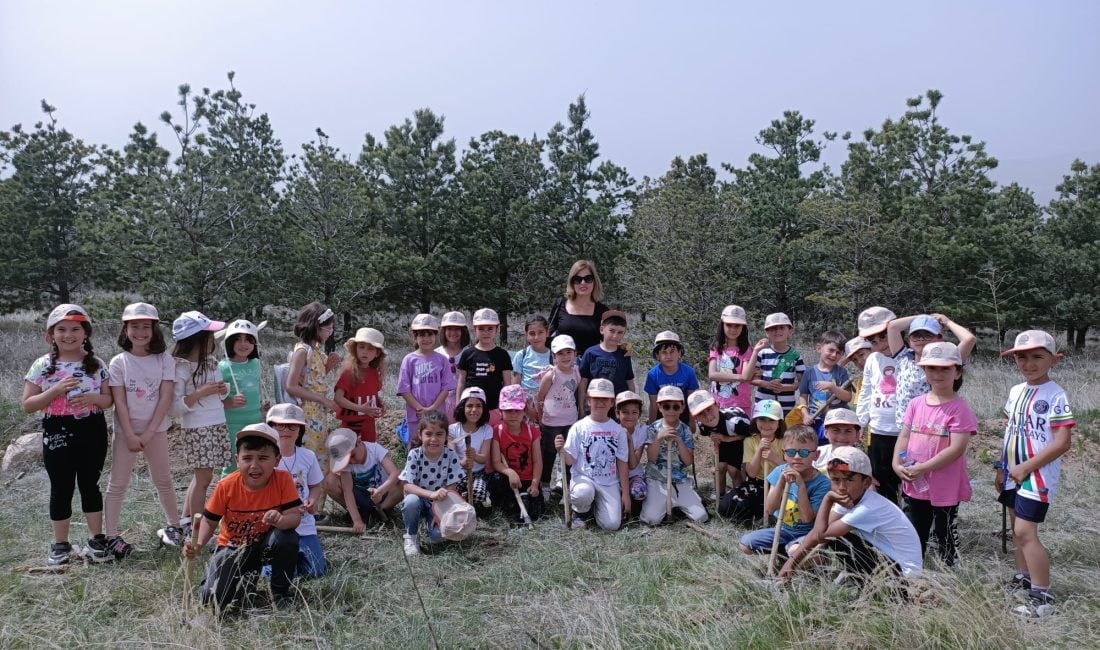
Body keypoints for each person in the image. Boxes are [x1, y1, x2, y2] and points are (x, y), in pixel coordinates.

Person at [22, 304, 114, 566]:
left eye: (75, 329)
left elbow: (108, 400)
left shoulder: (95, 364)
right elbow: (28, 404)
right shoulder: (42, 365)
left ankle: (96, 539)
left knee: (90, 484)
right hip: (56, 430)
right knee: (61, 487)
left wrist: (95, 397)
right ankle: (60, 544)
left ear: (86, 333)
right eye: (61, 329)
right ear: (50, 335)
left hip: (92, 429)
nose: (68, 335)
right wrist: (57, 389)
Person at [183, 423, 301, 611]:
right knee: (212, 600)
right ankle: (244, 579)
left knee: (287, 537)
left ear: (277, 460)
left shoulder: (283, 480)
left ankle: (280, 593)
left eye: (263, 458)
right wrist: (197, 544)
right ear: (237, 460)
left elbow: (294, 516)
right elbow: (209, 520)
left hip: (265, 547)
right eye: (247, 458)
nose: (254, 466)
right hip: (232, 549)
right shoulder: (226, 485)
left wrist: (281, 520)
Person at [998, 330, 1075, 618]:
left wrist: (1027, 467)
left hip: (1036, 475)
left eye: (1037, 357)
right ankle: (1023, 576)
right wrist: (1000, 466)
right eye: (1022, 357)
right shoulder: (1016, 391)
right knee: (1016, 529)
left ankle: (1042, 596)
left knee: (1025, 533)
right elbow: (1008, 432)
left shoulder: (1056, 394)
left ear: (1054, 359)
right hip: (1012, 473)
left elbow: (1062, 442)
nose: (1029, 363)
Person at [104, 303, 181, 558]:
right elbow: (119, 401)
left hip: (155, 430)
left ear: (154, 329)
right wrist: (129, 433)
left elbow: (165, 398)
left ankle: (175, 526)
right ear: (125, 329)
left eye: (145, 326)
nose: (140, 332)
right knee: (118, 483)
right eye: (134, 326)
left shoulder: (164, 360)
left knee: (163, 479)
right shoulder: (119, 362)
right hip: (126, 431)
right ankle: (111, 535)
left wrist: (148, 433)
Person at [892, 342, 977, 567]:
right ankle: (913, 567)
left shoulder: (959, 408)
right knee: (915, 526)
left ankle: (949, 568)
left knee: (944, 527)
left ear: (957, 372)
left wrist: (923, 467)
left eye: (945, 368)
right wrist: (896, 463)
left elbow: (956, 448)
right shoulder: (916, 404)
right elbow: (904, 437)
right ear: (924, 371)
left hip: (944, 483)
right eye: (931, 368)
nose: (937, 374)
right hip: (915, 479)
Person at [780, 447, 922, 580]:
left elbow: (821, 535)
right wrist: (791, 562)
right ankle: (861, 580)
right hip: (892, 564)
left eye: (849, 480)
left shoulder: (868, 507)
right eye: (835, 480)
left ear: (866, 482)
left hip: (904, 577)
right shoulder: (852, 497)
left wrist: (828, 499)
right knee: (834, 535)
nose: (841, 487)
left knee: (837, 538)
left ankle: (866, 582)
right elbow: (816, 533)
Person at [171, 311, 230, 541]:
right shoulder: (180, 367)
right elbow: (175, 407)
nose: (213, 339)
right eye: (209, 334)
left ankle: (188, 520)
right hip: (198, 427)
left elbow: (218, 395)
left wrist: (222, 391)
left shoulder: (211, 361)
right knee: (204, 479)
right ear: (196, 338)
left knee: (203, 477)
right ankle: (197, 528)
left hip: (216, 422)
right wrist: (200, 393)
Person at [738, 425, 829, 557]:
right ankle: (785, 552)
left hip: (808, 535)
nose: (797, 457)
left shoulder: (823, 484)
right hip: (783, 530)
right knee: (745, 544)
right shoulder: (780, 471)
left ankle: (812, 557)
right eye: (791, 452)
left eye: (804, 453)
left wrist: (801, 486)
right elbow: (769, 509)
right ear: (784, 453)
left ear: (816, 455)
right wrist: (780, 481)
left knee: (795, 551)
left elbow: (806, 518)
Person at [285, 303, 341, 515]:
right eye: (328, 328)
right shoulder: (302, 351)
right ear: (315, 327)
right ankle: (307, 508)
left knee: (320, 458)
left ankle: (314, 507)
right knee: (312, 458)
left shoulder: (315, 350)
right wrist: (324, 400)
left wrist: (328, 367)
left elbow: (311, 379)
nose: (330, 332)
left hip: (317, 413)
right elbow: (291, 385)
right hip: (307, 413)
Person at [555, 378, 630, 530]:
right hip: (584, 478)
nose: (600, 403)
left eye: (605, 399)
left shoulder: (618, 431)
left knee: (612, 525)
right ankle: (580, 513)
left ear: (612, 402)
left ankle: (596, 507)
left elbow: (622, 463)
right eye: (596, 398)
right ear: (589, 400)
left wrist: (626, 494)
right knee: (583, 492)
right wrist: (561, 450)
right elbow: (570, 461)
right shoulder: (579, 427)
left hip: (609, 482)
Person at [887, 313, 977, 432]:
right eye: (916, 335)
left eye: (928, 335)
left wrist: (947, 321)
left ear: (939, 339)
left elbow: (969, 339)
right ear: (909, 340)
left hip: (934, 429)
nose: (921, 339)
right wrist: (923, 316)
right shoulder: (903, 358)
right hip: (904, 430)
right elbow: (892, 326)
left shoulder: (947, 359)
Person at [267, 403, 326, 578]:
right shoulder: (265, 458)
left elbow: (315, 485)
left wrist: (313, 501)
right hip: (276, 526)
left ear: (300, 430)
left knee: (316, 572)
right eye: (280, 425)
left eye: (292, 425)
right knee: (282, 574)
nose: (286, 430)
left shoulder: (308, 456)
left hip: (305, 525)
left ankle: (306, 557)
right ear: (271, 427)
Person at [400, 410, 468, 556]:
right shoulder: (415, 454)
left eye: (439, 434)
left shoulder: (451, 455)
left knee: (438, 536)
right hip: (420, 498)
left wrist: (441, 512)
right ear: (420, 434)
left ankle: (432, 527)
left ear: (445, 437)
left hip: (440, 503)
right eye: (429, 434)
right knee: (411, 502)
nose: (434, 439)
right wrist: (431, 494)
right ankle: (411, 536)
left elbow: (452, 487)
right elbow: (407, 485)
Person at [855, 306, 903, 504]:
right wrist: (860, 422)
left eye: (884, 337)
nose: (880, 344)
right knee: (882, 479)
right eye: (873, 341)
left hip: (904, 431)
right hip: (879, 430)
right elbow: (866, 391)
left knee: (906, 477)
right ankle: (887, 517)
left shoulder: (909, 356)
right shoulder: (873, 359)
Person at [641, 387, 708, 525]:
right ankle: (664, 504)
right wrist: (659, 438)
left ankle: (677, 503)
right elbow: (651, 458)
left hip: (679, 480)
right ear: (659, 407)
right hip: (657, 478)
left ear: (682, 408)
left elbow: (688, 461)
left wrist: (679, 440)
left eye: (675, 407)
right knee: (651, 520)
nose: (671, 411)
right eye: (666, 406)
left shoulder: (685, 430)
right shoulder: (653, 428)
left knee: (701, 517)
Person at [718, 400, 786, 524]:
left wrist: (775, 458)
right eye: (762, 419)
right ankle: (762, 513)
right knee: (725, 507)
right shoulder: (750, 441)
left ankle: (767, 513)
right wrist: (759, 450)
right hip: (757, 485)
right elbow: (752, 473)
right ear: (755, 421)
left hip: (779, 485)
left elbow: (790, 468)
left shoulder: (785, 441)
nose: (766, 424)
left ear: (779, 423)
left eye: (771, 420)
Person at [324, 426, 402, 532]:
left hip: (383, 496)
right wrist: (357, 521)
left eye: (352, 456)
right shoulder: (347, 463)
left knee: (404, 479)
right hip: (361, 498)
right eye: (345, 460)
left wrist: (381, 491)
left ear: (359, 441)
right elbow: (348, 491)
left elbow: (395, 473)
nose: (351, 461)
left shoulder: (374, 449)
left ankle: (381, 511)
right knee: (329, 480)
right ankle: (357, 513)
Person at [218, 319, 268, 475]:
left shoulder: (256, 363)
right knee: (233, 462)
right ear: (229, 342)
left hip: (255, 419)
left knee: (251, 461)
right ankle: (225, 495)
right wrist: (229, 402)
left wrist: (263, 406)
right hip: (232, 423)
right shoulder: (222, 367)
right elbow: (213, 399)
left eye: (248, 339)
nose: (243, 344)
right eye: (237, 339)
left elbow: (259, 389)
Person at [397, 314, 455, 447]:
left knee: (437, 445)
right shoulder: (409, 359)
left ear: (436, 335)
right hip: (415, 415)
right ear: (414, 336)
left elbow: (446, 388)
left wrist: (432, 408)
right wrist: (420, 408)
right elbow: (404, 389)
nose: (426, 339)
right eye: (422, 335)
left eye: (430, 334)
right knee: (416, 447)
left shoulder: (442, 359)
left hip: (437, 414)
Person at [490, 385, 544, 523]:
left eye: (517, 410)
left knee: (536, 511)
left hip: (528, 479)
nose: (513, 415)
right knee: (509, 508)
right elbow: (496, 462)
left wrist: (535, 483)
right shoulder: (497, 431)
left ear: (524, 410)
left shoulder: (533, 432)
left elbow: (537, 461)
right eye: (508, 411)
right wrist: (509, 472)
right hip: (507, 479)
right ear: (501, 411)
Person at [689, 388, 754, 498]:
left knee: (733, 470)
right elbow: (709, 433)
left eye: (709, 409)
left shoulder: (736, 423)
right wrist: (717, 439)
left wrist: (726, 438)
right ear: (695, 417)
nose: (708, 417)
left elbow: (750, 435)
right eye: (701, 414)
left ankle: (739, 496)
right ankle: (720, 494)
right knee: (720, 467)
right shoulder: (702, 425)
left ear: (717, 404)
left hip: (740, 440)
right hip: (723, 441)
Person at [456, 308, 514, 427]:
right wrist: (458, 404)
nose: (486, 332)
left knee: (494, 440)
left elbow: (507, 384)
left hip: (494, 408)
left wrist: (505, 407)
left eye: (490, 329)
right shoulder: (468, 354)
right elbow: (461, 382)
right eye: (481, 329)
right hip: (472, 409)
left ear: (497, 329)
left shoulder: (502, 354)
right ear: (474, 329)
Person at [795, 330, 852, 443]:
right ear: (819, 348)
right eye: (831, 350)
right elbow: (803, 396)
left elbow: (848, 397)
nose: (834, 355)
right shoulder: (809, 372)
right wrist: (805, 415)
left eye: (838, 352)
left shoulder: (842, 373)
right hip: (815, 420)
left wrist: (833, 387)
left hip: (837, 421)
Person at [547, 259, 611, 357]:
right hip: (563, 367)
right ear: (572, 282)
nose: (583, 283)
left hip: (590, 368)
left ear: (594, 281)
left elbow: (609, 342)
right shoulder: (560, 304)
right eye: (577, 279)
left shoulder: (603, 311)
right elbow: (547, 335)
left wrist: (624, 349)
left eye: (588, 278)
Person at [334, 327, 386, 442]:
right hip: (350, 422)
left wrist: (379, 403)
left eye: (370, 348)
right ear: (355, 349)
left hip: (368, 422)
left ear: (377, 353)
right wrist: (359, 408)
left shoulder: (375, 374)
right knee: (349, 453)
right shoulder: (348, 372)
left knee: (369, 451)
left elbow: (370, 393)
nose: (365, 351)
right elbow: (338, 398)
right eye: (361, 347)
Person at [750, 312, 805, 417]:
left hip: (786, 407)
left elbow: (802, 383)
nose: (777, 331)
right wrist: (767, 384)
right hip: (763, 405)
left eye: (781, 328)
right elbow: (752, 379)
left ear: (790, 331)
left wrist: (783, 387)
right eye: (773, 328)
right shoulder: (762, 353)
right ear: (767, 332)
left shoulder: (796, 356)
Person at [448, 387, 494, 509]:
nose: (474, 410)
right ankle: (462, 499)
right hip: (457, 473)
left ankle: (474, 497)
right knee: (449, 493)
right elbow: (451, 457)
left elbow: (484, 458)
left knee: (477, 494)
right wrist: (462, 462)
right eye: (469, 406)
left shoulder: (487, 430)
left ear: (483, 409)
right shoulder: (453, 429)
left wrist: (474, 455)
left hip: (478, 474)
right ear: (462, 408)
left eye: (478, 406)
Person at [708, 305, 758, 413]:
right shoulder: (716, 348)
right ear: (722, 325)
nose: (733, 329)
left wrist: (756, 351)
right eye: (729, 325)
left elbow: (747, 375)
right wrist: (740, 377)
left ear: (743, 327)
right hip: (718, 404)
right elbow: (712, 374)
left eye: (737, 326)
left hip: (741, 405)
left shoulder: (747, 350)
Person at [644, 331, 699, 425]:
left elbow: (691, 401)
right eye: (664, 352)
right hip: (662, 414)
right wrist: (652, 426)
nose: (669, 356)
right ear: (658, 356)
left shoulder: (689, 372)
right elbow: (653, 404)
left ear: (679, 353)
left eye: (672, 352)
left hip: (682, 413)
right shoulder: (653, 375)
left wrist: (692, 422)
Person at [578, 310, 636, 398]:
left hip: (618, 405)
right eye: (611, 331)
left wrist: (633, 400)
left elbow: (629, 381)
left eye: (620, 332)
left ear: (624, 333)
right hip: (596, 402)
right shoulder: (590, 353)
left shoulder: (625, 354)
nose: (615, 336)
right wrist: (581, 408)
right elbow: (583, 381)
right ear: (602, 329)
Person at [616, 391, 648, 516]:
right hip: (614, 477)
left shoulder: (641, 433)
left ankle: (635, 510)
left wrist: (628, 439)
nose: (630, 416)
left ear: (639, 415)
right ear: (617, 414)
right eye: (625, 412)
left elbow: (633, 464)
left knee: (639, 491)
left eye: (634, 412)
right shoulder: (611, 431)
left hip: (634, 475)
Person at [839, 337, 873, 446]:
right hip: (874, 435)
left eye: (861, 355)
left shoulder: (888, 372)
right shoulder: (862, 382)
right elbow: (863, 407)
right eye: (854, 360)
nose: (860, 361)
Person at [436, 311, 470, 421]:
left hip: (463, 401)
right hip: (441, 402)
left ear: (463, 331)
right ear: (443, 331)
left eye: (457, 329)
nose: (453, 332)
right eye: (449, 329)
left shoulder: (470, 353)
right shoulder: (436, 354)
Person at [513, 316, 552, 411]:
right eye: (532, 333)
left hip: (548, 406)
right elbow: (515, 386)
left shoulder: (554, 356)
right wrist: (525, 408)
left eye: (540, 332)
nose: (536, 337)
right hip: (526, 406)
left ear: (547, 333)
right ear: (526, 335)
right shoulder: (521, 355)